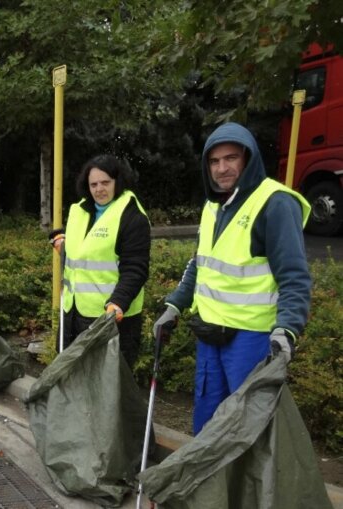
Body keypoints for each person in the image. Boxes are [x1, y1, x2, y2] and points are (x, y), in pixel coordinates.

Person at [152, 122, 311, 434]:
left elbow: (294, 276)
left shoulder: (275, 203)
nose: (222, 168)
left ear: (248, 159)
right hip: (210, 333)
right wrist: (174, 306)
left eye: (231, 158)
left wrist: (287, 328)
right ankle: (209, 483)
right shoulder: (213, 205)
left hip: (251, 338)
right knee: (208, 419)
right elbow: (199, 263)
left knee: (245, 426)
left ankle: (242, 485)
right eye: (214, 161)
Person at [49, 154, 151, 367]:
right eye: (93, 184)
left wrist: (118, 302)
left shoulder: (131, 216)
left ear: (117, 182)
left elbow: (136, 268)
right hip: (72, 314)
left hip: (110, 319)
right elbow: (86, 248)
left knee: (106, 388)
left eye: (105, 182)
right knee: (71, 378)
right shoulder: (80, 210)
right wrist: (62, 241)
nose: (99, 189)